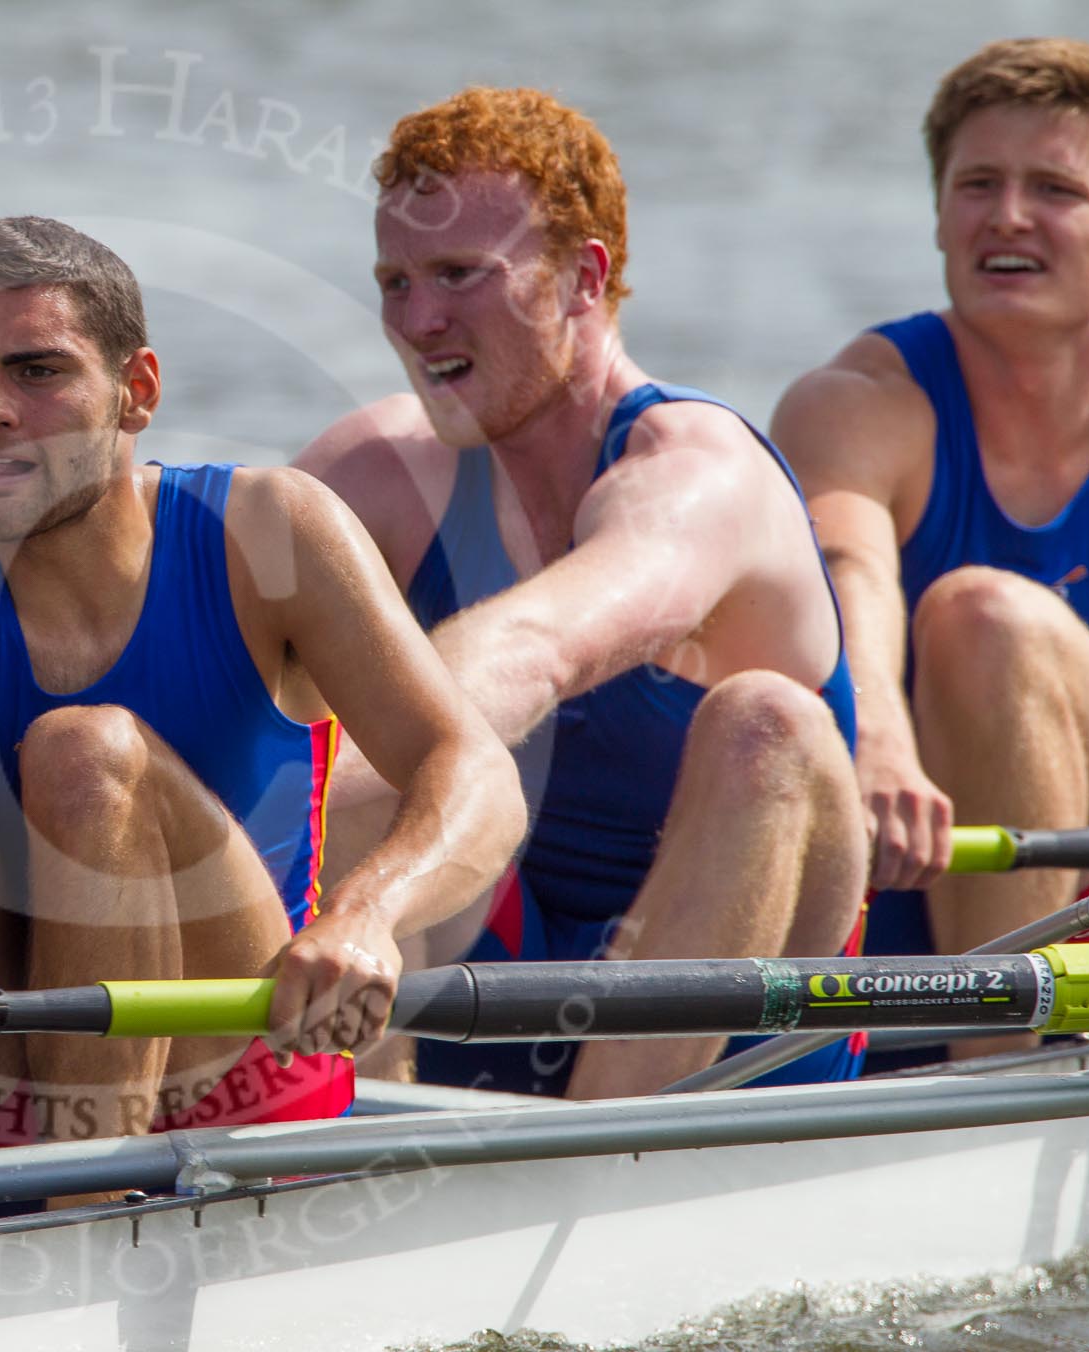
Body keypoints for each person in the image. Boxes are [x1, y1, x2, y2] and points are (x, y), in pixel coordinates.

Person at [0, 216, 523, 1213]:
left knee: (87, 750)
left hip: (238, 1069)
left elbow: (474, 771)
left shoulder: (270, 535)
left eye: (38, 372)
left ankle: (78, 1236)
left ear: (139, 391)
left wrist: (369, 913)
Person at [296, 87, 867, 1098]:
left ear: (582, 277)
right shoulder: (378, 471)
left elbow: (541, 648)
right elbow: (195, 645)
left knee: (765, 719)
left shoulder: (698, 471)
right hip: (499, 985)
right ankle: (346, 1157)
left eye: (460, 275)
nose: (417, 319)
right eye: (395, 279)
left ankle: (596, 1172)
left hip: (741, 1031)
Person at [772, 38, 1089, 1060]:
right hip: (914, 875)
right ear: (939, 215)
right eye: (977, 185)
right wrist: (874, 733)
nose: (1007, 215)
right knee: (975, 615)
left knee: (985, 617)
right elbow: (848, 569)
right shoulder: (860, 404)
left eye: (1054, 187)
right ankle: (988, 1082)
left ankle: (998, 1075)